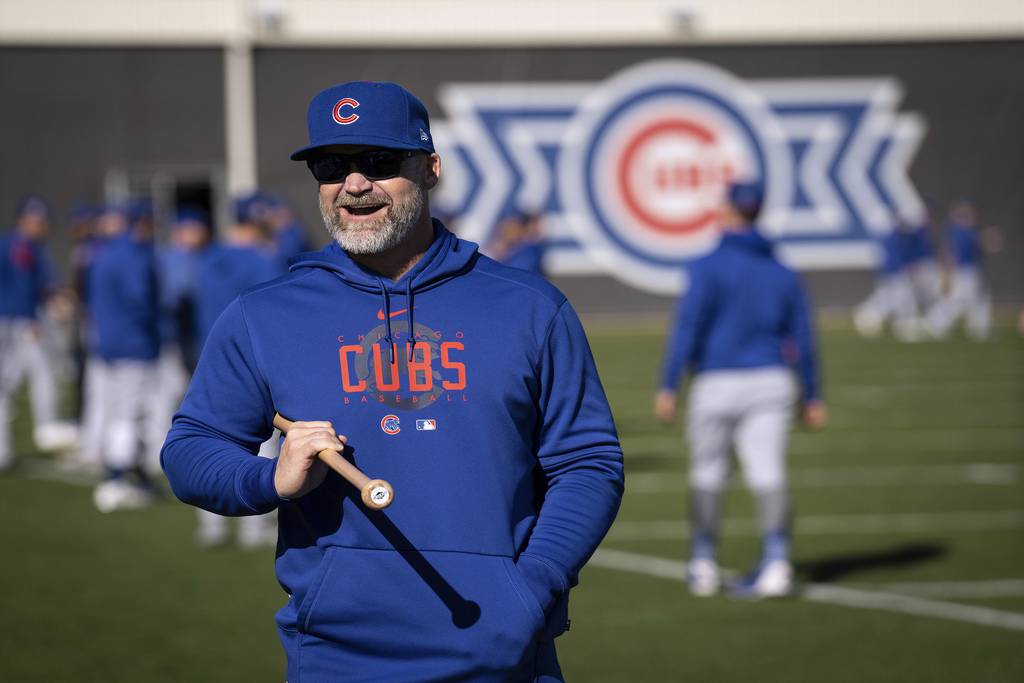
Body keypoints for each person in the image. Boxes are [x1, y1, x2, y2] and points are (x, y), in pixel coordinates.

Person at [162, 80, 624, 681]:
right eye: (332, 166)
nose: (354, 185)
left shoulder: (529, 308)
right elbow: (191, 450)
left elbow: (588, 462)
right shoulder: (263, 315)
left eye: (379, 163)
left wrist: (531, 586)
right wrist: (268, 478)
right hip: (336, 659)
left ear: (431, 169)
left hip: (507, 656)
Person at [654, 180, 826, 599]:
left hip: (717, 380)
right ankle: (778, 562)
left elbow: (688, 326)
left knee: (708, 472)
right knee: (768, 472)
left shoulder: (707, 265)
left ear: (730, 209)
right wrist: (814, 393)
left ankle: (703, 562)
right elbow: (804, 335)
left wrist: (669, 383)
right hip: (772, 380)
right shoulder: (781, 269)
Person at [190, 199, 282, 548]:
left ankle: (211, 526)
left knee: (212, 441)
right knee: (261, 444)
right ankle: (253, 529)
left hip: (209, 356)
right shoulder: (262, 259)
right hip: (256, 362)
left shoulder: (209, 257)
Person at [87, 203, 162, 512]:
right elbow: (140, 301)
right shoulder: (133, 256)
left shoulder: (104, 252)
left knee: (116, 411)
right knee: (128, 415)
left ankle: (134, 475)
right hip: (133, 344)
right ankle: (115, 478)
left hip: (107, 343)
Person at [0, 196, 78, 472]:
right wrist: (30, 319)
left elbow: (47, 287)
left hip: (18, 321)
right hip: (13, 323)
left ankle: (7, 450)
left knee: (14, 384)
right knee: (31, 377)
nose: (41, 226)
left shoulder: (32, 248)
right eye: (36, 220)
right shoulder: (18, 247)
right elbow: (25, 289)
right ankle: (46, 428)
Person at [924, 201, 992, 340]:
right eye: (968, 214)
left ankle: (979, 331)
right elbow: (982, 244)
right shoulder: (963, 232)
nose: (972, 217)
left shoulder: (955, 231)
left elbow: (949, 253)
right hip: (965, 272)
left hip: (967, 271)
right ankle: (935, 323)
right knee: (958, 301)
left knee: (979, 300)